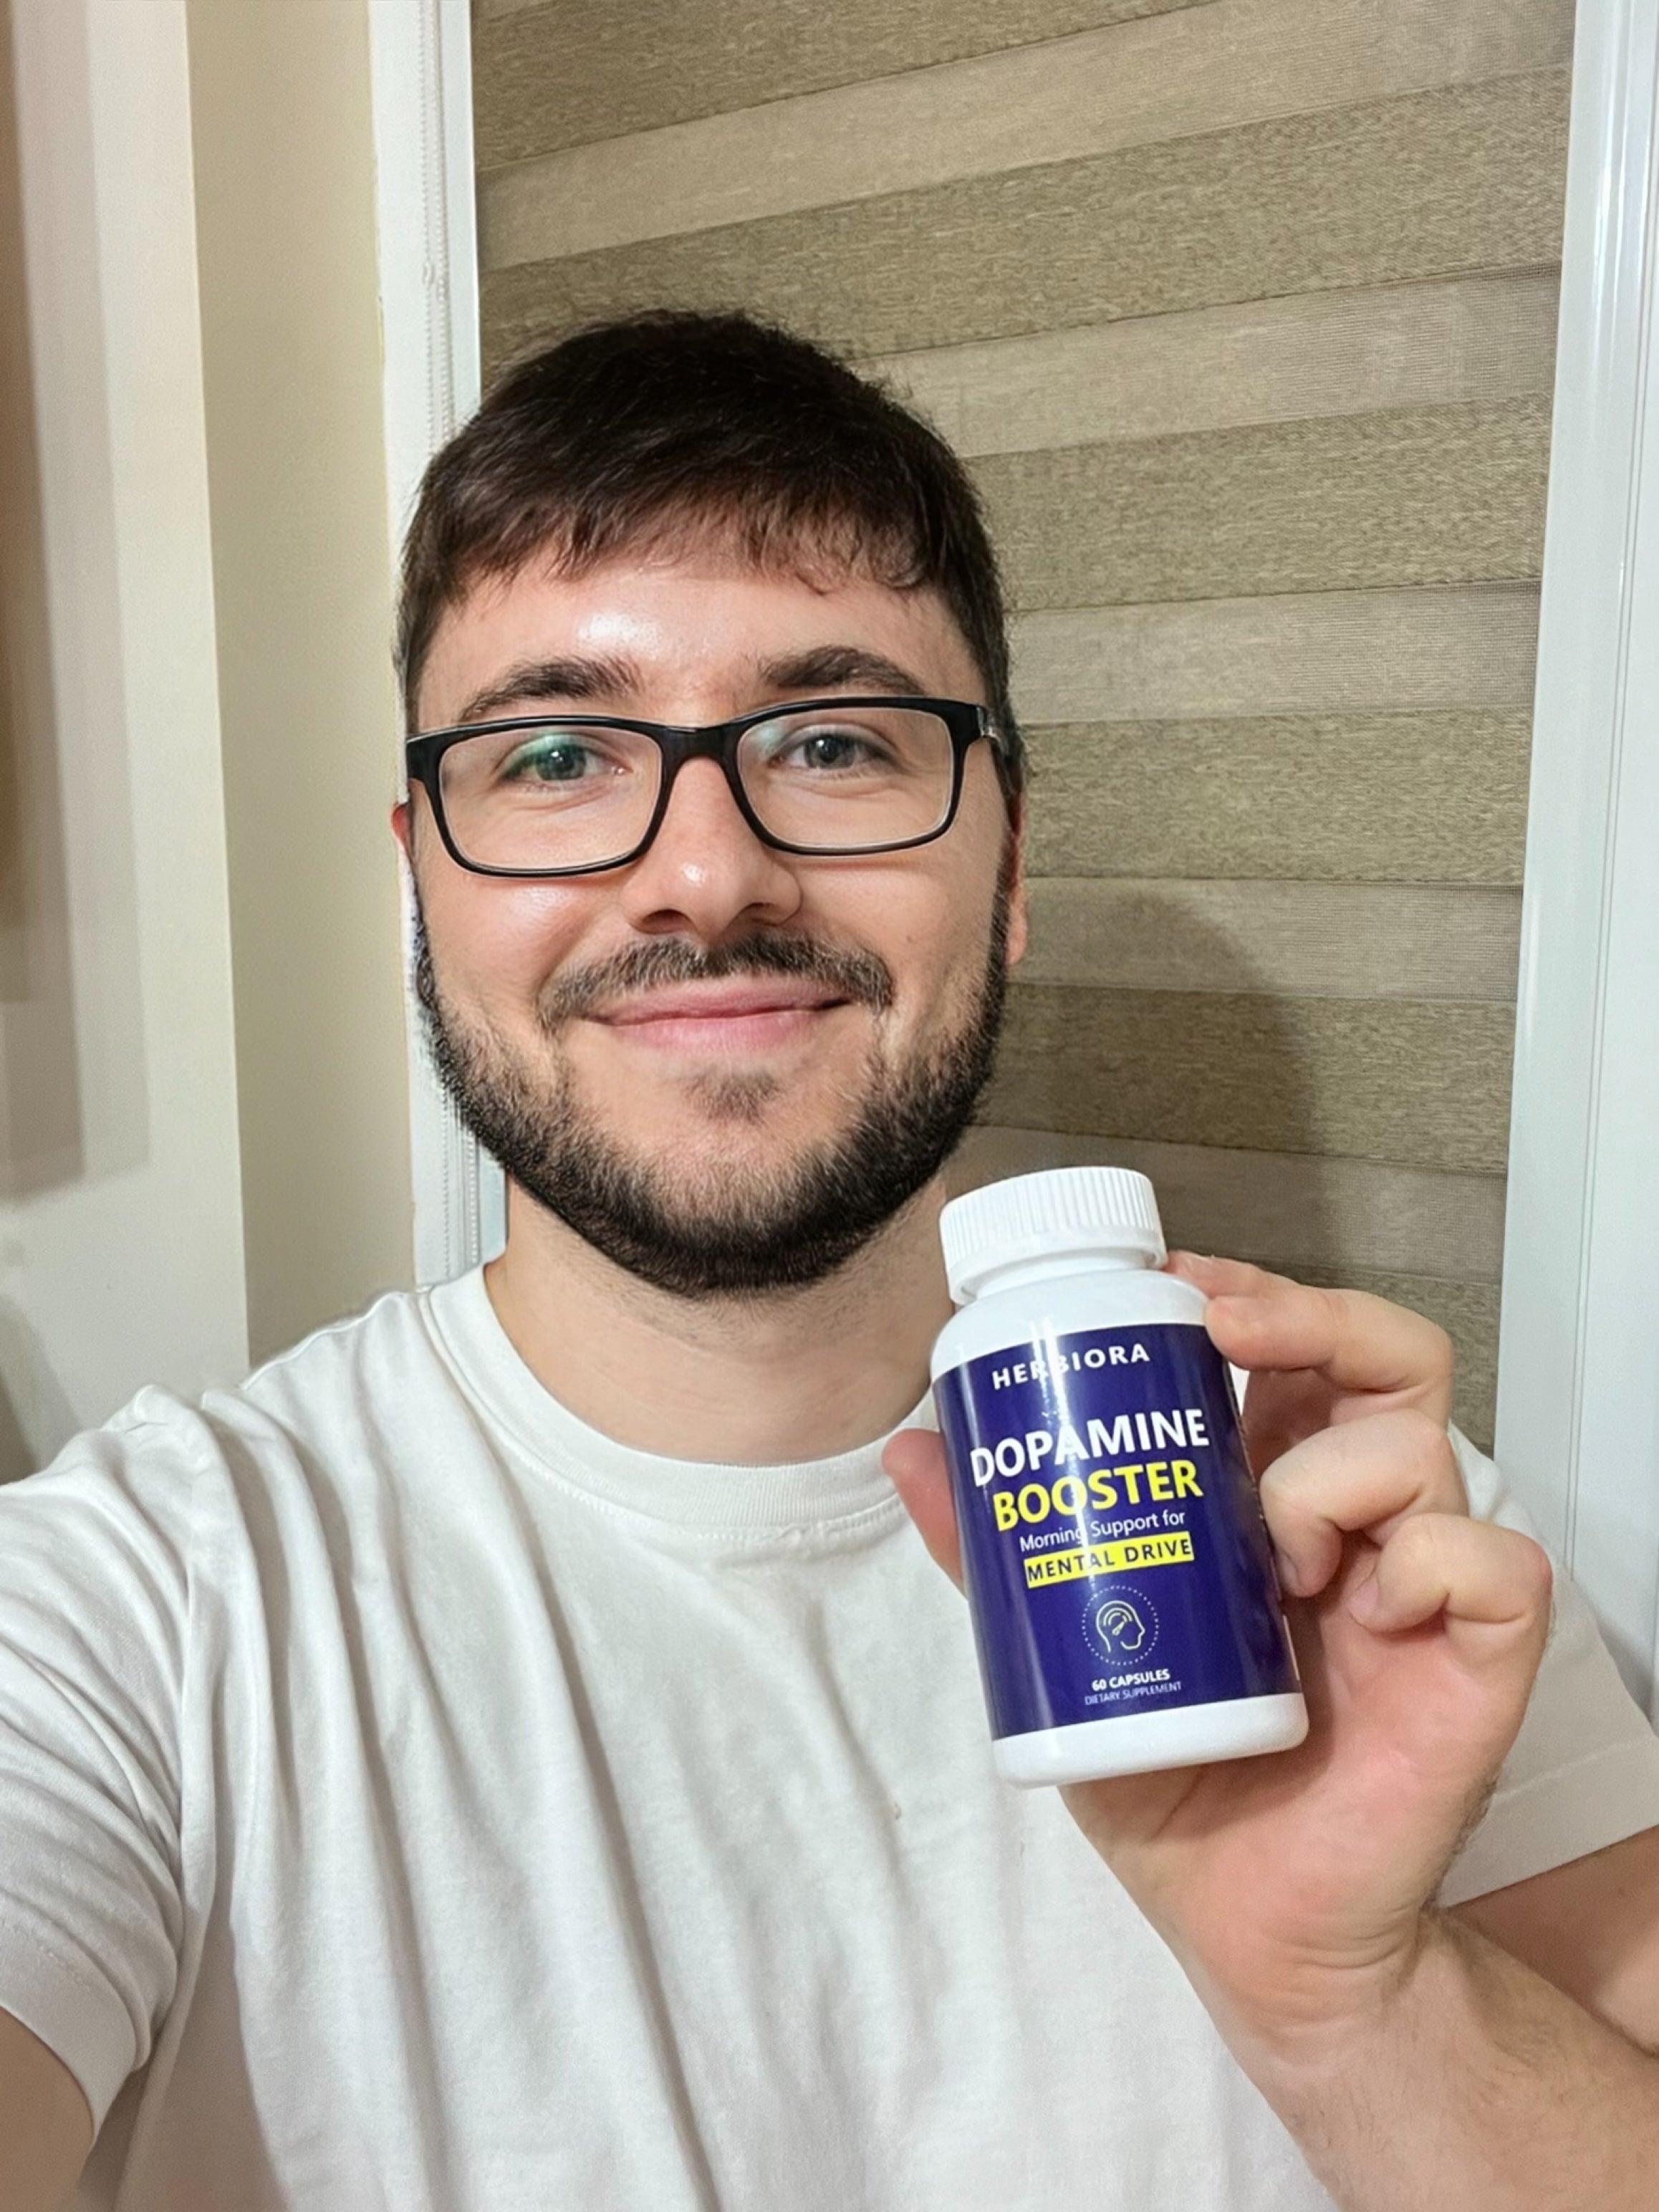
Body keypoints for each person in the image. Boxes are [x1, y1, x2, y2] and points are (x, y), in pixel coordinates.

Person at [1, 310, 1656, 2212]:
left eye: (837, 740)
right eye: (557, 753)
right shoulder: (133, 1616)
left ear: (1006, 870)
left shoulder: (1346, 1568)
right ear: (423, 878)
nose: (707, 876)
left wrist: (1357, 2008)